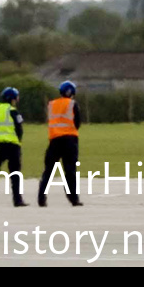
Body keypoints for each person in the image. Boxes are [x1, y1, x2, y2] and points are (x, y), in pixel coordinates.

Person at [38, 80, 84, 208]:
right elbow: (77, 122)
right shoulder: (72, 104)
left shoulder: (51, 104)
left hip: (54, 140)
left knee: (48, 170)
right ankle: (73, 199)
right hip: (70, 140)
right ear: (71, 92)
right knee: (70, 171)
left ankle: (41, 198)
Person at [0, 86, 26, 208]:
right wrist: (19, 140)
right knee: (15, 173)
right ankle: (17, 200)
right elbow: (19, 128)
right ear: (11, 99)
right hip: (13, 145)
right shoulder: (12, 110)